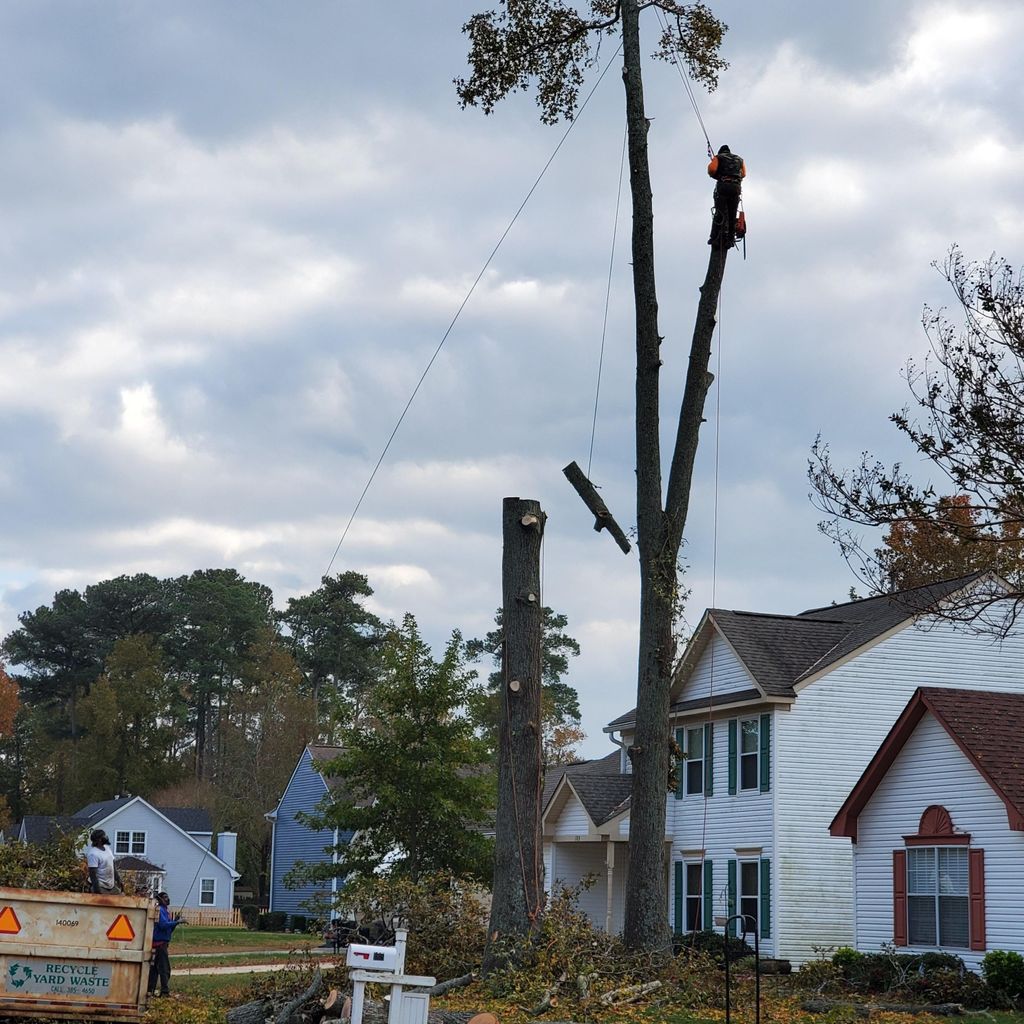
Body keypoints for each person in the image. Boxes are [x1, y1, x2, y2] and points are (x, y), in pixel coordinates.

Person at [707, 144, 746, 248]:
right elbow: (743, 174)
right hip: (735, 188)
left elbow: (712, 169)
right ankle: (730, 240)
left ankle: (714, 237)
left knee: (719, 213)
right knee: (732, 215)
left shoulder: (718, 157)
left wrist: (717, 175)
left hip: (723, 187)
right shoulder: (739, 159)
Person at [147, 891, 183, 998]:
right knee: (164, 969)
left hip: (161, 943)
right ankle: (164, 992)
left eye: (168, 897)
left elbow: (168, 929)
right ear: (161, 899)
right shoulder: (160, 910)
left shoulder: (165, 911)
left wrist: (175, 922)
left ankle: (150, 990)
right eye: (165, 897)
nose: (168, 899)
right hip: (159, 945)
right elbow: (163, 925)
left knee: (154, 970)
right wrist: (177, 922)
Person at [86, 829, 122, 894]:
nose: (106, 837)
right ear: (99, 839)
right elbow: (93, 874)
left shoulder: (107, 848)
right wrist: (97, 891)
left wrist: (118, 879)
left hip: (111, 886)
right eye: (104, 836)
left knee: (119, 901)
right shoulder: (93, 854)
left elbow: (113, 865)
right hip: (100, 886)